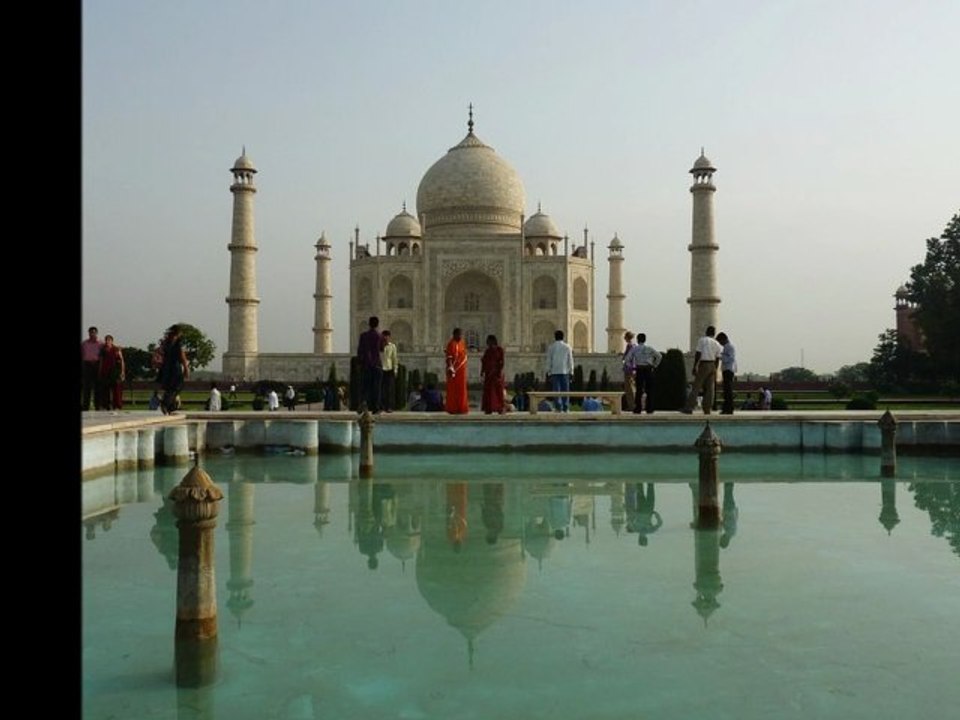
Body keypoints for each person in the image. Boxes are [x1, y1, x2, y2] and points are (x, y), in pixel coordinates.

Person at [682, 325, 723, 415]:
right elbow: (718, 358)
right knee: (710, 389)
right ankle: (707, 409)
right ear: (714, 333)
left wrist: (695, 365)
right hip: (712, 364)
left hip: (704, 364)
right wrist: (715, 369)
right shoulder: (717, 343)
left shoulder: (703, 340)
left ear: (706, 332)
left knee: (696, 386)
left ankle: (689, 407)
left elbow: (698, 353)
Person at [156, 324, 190, 414]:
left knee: (169, 387)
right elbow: (182, 357)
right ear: (178, 333)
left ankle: (170, 408)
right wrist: (186, 368)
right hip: (175, 367)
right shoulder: (177, 343)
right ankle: (165, 404)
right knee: (176, 387)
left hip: (166, 367)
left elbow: (160, 352)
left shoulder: (166, 342)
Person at [625, 332, 662, 414]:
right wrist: (655, 365)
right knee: (649, 390)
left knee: (639, 390)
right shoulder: (649, 348)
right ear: (645, 340)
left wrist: (631, 368)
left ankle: (638, 408)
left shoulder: (635, 349)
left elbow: (627, 359)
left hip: (639, 370)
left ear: (638, 340)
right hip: (648, 369)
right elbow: (659, 356)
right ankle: (650, 408)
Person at [356, 316, 384, 413]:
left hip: (366, 364)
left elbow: (360, 350)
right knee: (376, 388)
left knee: (365, 387)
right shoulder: (380, 336)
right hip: (377, 364)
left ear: (369, 324)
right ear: (377, 324)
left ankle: (363, 404)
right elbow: (382, 349)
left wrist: (359, 363)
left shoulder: (363, 336)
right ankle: (376, 408)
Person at [544, 329, 574, 412]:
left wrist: (548, 371)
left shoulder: (551, 347)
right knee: (565, 390)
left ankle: (558, 408)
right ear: (563, 337)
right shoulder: (567, 347)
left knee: (556, 391)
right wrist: (571, 372)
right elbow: (570, 360)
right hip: (565, 372)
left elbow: (549, 360)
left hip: (555, 372)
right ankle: (566, 407)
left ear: (555, 337)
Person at [97, 334, 126, 411]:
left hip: (115, 372)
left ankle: (117, 406)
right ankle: (105, 406)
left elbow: (122, 361)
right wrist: (99, 372)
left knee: (116, 390)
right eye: (106, 340)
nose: (107, 342)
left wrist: (122, 372)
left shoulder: (116, 349)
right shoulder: (103, 350)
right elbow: (101, 361)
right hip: (105, 372)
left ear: (112, 341)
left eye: (109, 340)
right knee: (105, 390)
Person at [444, 327, 469, 414]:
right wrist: (451, 367)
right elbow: (449, 357)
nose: (460, 336)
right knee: (453, 391)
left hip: (461, 371)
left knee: (462, 390)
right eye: (459, 334)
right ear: (454, 334)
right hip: (453, 371)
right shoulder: (451, 344)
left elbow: (464, 356)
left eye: (461, 334)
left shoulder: (462, 343)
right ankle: (453, 408)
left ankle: (462, 408)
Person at [480, 334, 505, 414]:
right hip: (488, 375)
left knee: (498, 392)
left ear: (493, 341)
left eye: (488, 341)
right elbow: (484, 362)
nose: (487, 343)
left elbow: (501, 362)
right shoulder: (488, 351)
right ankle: (489, 408)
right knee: (488, 393)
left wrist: (498, 370)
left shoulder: (499, 350)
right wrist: (482, 371)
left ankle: (499, 408)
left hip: (496, 374)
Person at [81, 326, 104, 411]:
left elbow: (104, 354)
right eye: (91, 332)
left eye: (94, 332)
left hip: (97, 365)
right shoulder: (84, 343)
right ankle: (85, 407)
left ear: (96, 333)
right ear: (89, 333)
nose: (92, 334)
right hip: (87, 365)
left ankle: (97, 406)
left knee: (97, 387)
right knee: (87, 387)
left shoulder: (101, 344)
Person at [717, 332, 737, 414]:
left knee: (728, 391)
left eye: (720, 341)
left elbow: (730, 358)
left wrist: (720, 356)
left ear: (723, 339)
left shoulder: (729, 346)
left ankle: (728, 408)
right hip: (727, 370)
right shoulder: (727, 347)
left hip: (728, 370)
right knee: (726, 390)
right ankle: (727, 408)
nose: (720, 344)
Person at [380, 330, 398, 413]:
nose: (385, 337)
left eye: (387, 336)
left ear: (389, 337)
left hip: (389, 369)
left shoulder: (392, 346)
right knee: (381, 389)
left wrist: (395, 369)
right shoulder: (379, 346)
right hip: (380, 369)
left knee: (389, 390)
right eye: (384, 336)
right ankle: (381, 406)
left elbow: (394, 358)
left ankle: (388, 407)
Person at [621, 331, 638, 412]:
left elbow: (629, 357)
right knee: (631, 388)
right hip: (632, 369)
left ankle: (632, 406)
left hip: (629, 369)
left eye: (625, 337)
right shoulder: (633, 346)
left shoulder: (630, 346)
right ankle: (632, 405)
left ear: (627, 337)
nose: (624, 338)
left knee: (629, 388)